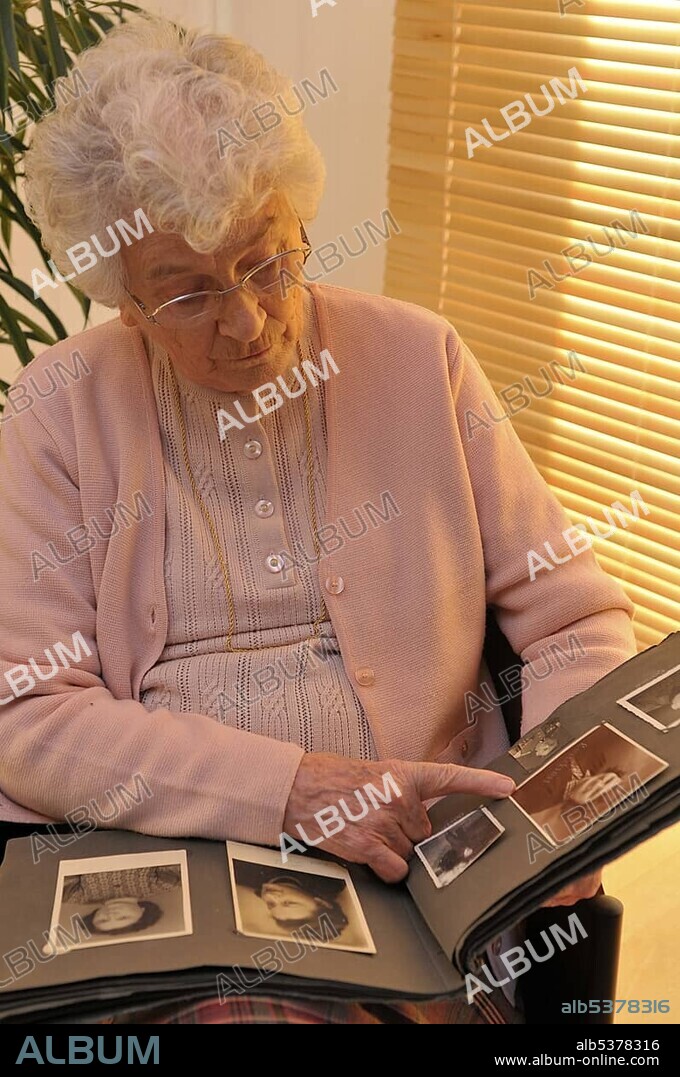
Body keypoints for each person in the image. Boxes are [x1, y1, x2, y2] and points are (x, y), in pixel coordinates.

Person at [0, 14, 637, 1024]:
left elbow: (574, 618)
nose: (247, 321)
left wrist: (562, 803)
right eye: (187, 294)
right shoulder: (55, 410)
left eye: (266, 263)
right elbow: (26, 713)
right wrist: (290, 792)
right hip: (172, 878)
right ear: (121, 297)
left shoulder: (418, 359)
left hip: (422, 869)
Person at [61, 866, 180, 936]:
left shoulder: (75, 895)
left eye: (103, 920)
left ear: (93, 916)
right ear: (143, 911)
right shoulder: (163, 884)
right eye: (123, 917)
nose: (111, 915)